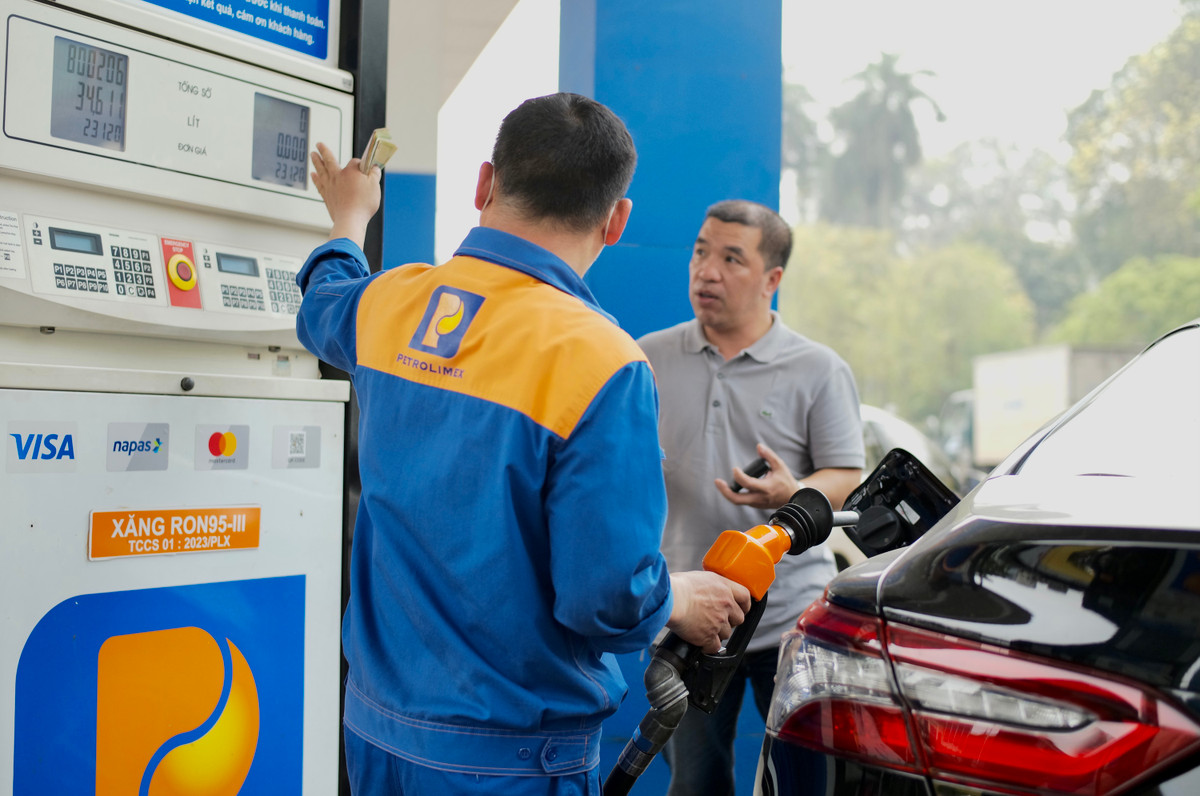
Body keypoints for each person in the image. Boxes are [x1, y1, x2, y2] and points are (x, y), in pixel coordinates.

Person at [294, 93, 752, 796]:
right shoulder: (602, 362)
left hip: (375, 733)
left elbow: (323, 303)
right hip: (509, 760)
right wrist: (682, 598)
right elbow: (607, 598)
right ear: (616, 221)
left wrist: (349, 219)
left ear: (485, 183)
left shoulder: (391, 303)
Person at [637, 199, 865, 796]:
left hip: (791, 617)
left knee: (807, 782)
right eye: (700, 252)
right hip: (690, 611)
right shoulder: (647, 357)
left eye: (732, 259)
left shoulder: (818, 368)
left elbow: (846, 471)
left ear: (772, 279)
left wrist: (795, 495)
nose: (706, 271)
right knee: (695, 783)